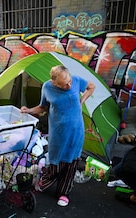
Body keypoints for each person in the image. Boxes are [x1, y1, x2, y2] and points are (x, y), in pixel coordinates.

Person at [20, 65, 95, 206]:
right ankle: (46, 182)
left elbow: (91, 86)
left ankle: (64, 193)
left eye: (69, 82)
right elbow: (43, 107)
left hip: (76, 132)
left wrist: (82, 100)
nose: (69, 85)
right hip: (58, 132)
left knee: (71, 163)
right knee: (55, 161)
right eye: (64, 84)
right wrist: (28, 110)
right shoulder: (47, 88)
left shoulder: (76, 80)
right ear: (54, 82)